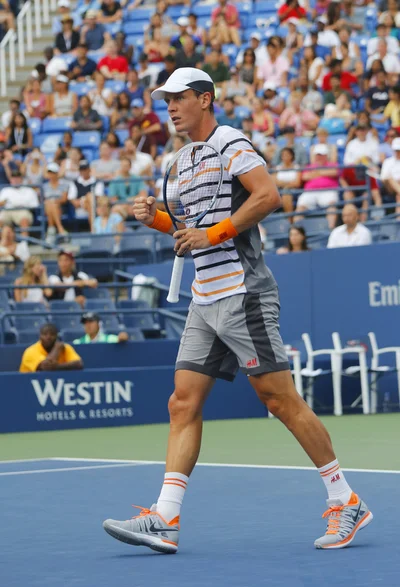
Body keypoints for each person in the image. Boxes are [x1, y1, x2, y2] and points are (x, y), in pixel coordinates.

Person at [103, 67, 372, 553]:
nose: (171, 107)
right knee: (182, 402)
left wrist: (214, 234)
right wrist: (158, 220)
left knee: (279, 400)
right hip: (203, 298)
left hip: (243, 294)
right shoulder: (181, 160)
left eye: (179, 98)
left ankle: (345, 499)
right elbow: (193, 229)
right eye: (166, 100)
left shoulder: (231, 142)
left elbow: (268, 196)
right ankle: (165, 518)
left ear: (205, 99)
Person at [295, 144, 339, 229]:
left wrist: (317, 173)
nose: (319, 157)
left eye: (321, 155)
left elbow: (334, 172)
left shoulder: (332, 164)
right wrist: (324, 172)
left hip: (328, 191)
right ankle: (296, 230)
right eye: (317, 155)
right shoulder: (310, 166)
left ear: (326, 155)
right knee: (301, 206)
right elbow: (304, 177)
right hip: (310, 192)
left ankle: (330, 229)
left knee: (331, 205)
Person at [19, 323, 83, 373]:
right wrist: (57, 349)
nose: (48, 337)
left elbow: (79, 364)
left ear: (56, 336)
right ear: (40, 336)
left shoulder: (65, 347)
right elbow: (46, 367)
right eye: (45, 334)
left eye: (52, 334)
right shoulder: (31, 351)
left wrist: (56, 367)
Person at [0, 168, 39, 233]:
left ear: (21, 179)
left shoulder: (29, 190)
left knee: (24, 218)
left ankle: (24, 241)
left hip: (23, 210)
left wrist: (22, 205)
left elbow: (35, 205)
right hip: (7, 211)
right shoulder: (5, 190)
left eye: (17, 178)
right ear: (10, 180)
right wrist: (2, 203)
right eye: (13, 178)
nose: (15, 180)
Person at [381, 137, 400, 215]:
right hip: (388, 187)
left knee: (399, 195)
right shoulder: (387, 161)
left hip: (397, 188)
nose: (398, 152)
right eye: (396, 150)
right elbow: (384, 178)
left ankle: (398, 218)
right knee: (389, 178)